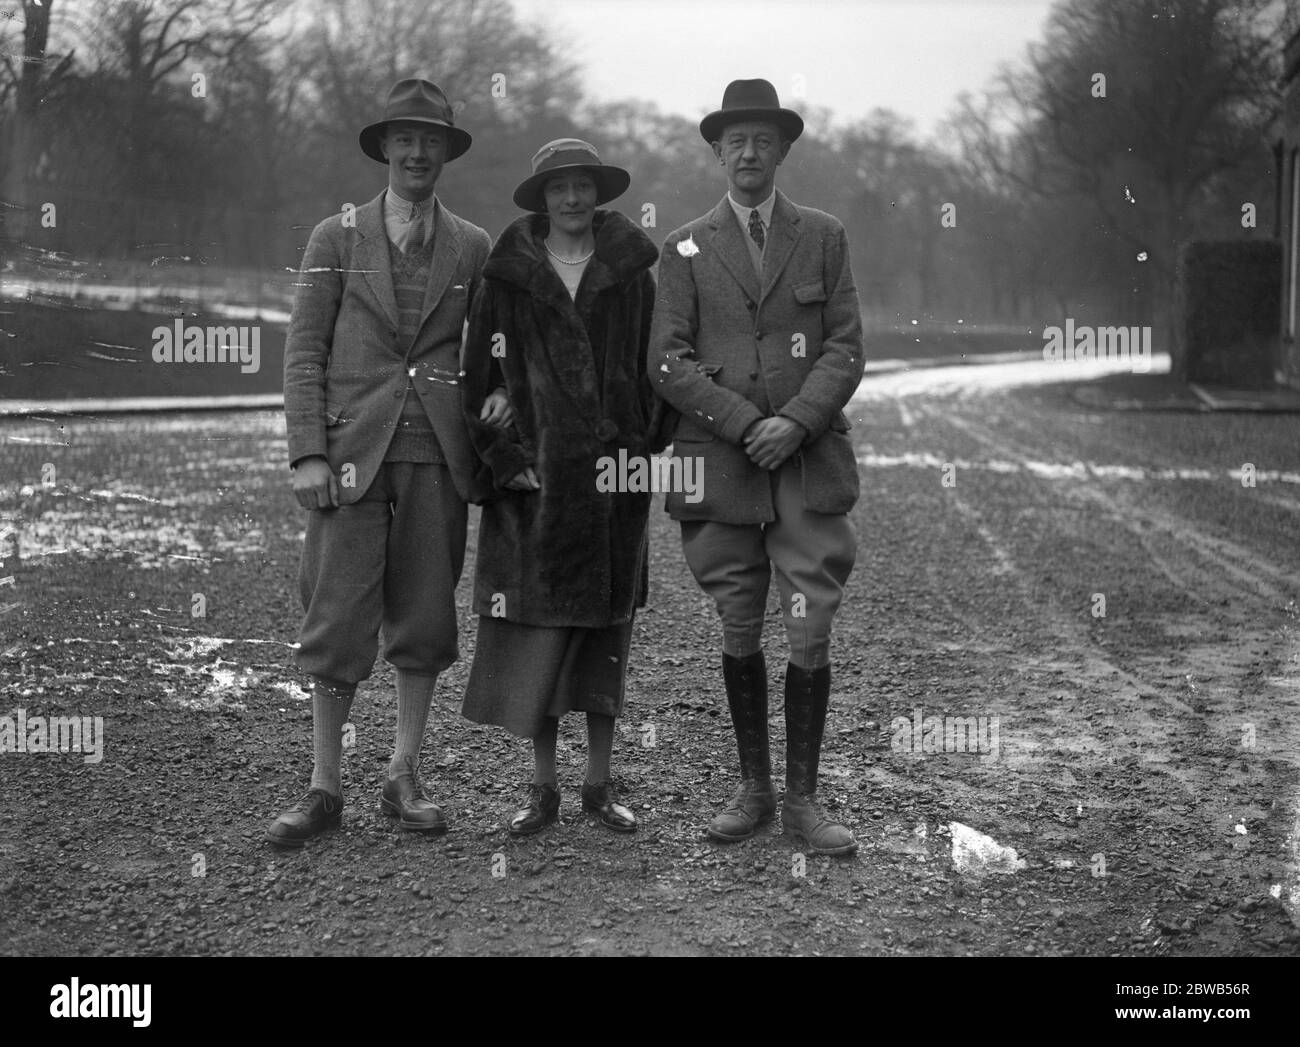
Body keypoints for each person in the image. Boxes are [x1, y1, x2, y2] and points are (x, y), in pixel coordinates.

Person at [268, 79, 491, 848]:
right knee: (334, 615)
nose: (418, 152)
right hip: (350, 454)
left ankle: (403, 773)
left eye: (432, 141)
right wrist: (308, 452)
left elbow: (489, 356)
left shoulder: (473, 245)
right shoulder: (336, 237)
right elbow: (304, 351)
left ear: (445, 153)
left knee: (426, 614)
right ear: (386, 148)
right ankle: (325, 786)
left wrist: (498, 432)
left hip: (436, 454)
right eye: (405, 139)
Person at [648, 80, 865, 855]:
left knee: (809, 620)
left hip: (807, 464)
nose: (748, 152)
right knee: (738, 619)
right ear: (716, 150)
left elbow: (844, 346)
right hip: (722, 467)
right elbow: (667, 363)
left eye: (762, 140)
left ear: (782, 149)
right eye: (734, 139)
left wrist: (796, 421)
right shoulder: (682, 248)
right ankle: (755, 790)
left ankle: (805, 801)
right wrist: (746, 425)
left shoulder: (825, 236)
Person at [461, 139, 662, 836]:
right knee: (541, 641)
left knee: (605, 639)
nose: (572, 199)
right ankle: (542, 790)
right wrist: (507, 456)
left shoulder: (632, 274)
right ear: (541, 199)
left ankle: (598, 787)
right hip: (535, 490)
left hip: (612, 489)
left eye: (582, 186)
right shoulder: (507, 279)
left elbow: (652, 369)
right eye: (559, 189)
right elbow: (478, 383)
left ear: (597, 193)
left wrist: (637, 443)